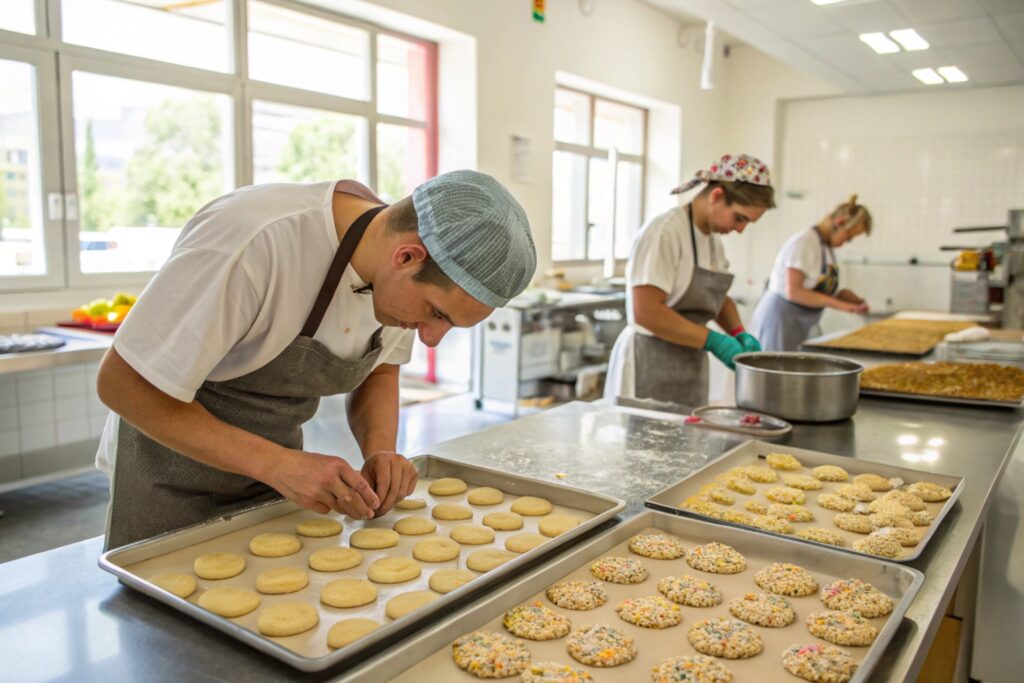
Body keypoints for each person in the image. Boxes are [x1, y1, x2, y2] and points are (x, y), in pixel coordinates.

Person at [96, 170, 536, 548]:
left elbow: (380, 370)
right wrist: (274, 463)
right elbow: (122, 383)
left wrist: (380, 449)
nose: (433, 339)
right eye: (436, 314)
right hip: (169, 480)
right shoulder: (253, 241)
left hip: (272, 482)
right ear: (406, 256)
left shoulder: (395, 268)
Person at [605, 154, 775, 407]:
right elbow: (646, 312)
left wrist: (737, 332)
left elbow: (715, 296)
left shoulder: (713, 241)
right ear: (716, 196)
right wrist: (714, 341)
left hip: (689, 358)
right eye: (739, 218)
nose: (740, 229)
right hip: (650, 360)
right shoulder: (664, 232)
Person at [751, 194, 871, 351]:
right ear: (840, 222)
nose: (846, 243)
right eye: (848, 237)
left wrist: (846, 298)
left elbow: (817, 289)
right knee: (775, 371)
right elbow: (794, 291)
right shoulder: (805, 242)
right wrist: (841, 305)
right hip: (780, 319)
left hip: (800, 322)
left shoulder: (826, 247)